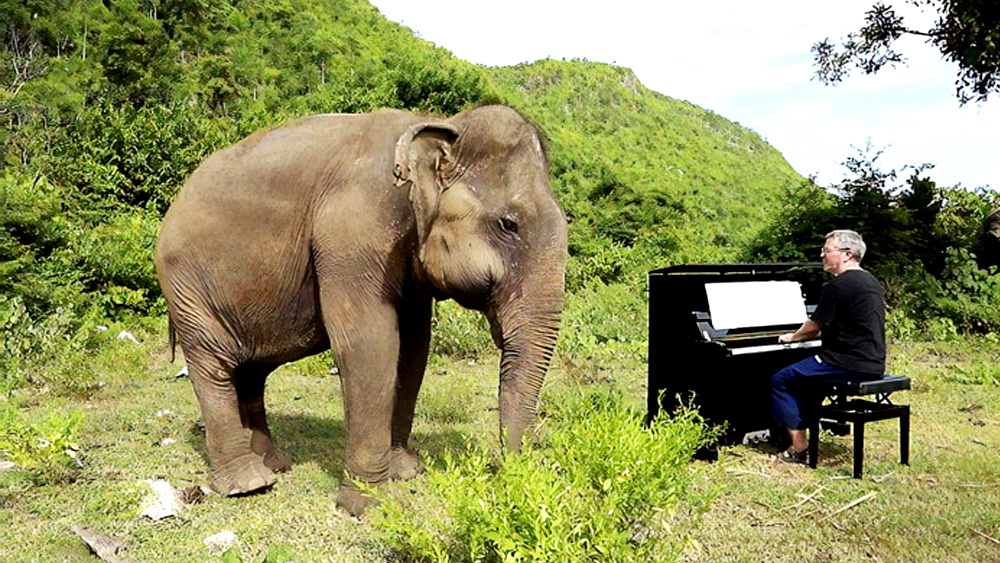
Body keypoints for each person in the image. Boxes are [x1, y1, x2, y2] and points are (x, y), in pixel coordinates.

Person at [771, 229, 886, 464]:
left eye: (827, 250)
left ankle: (799, 448)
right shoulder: (870, 281)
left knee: (781, 380)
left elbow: (813, 327)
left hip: (846, 362)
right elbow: (845, 324)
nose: (822, 255)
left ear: (847, 254)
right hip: (873, 362)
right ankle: (795, 431)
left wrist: (792, 337)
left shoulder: (839, 285)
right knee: (808, 382)